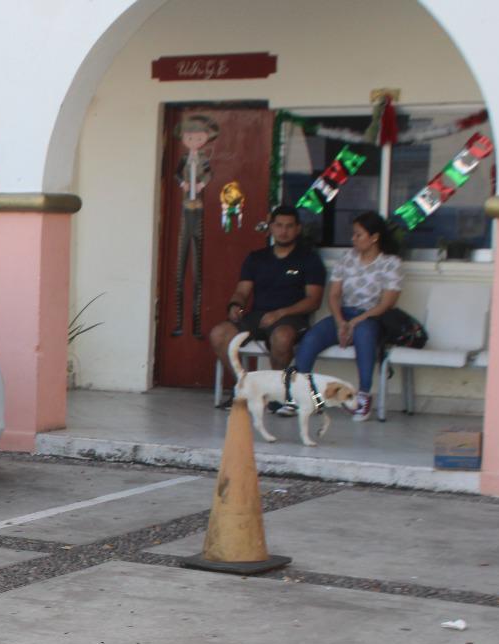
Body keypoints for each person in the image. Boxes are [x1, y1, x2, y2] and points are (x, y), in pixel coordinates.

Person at [209, 205, 326, 410]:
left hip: (291, 317)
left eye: (289, 226)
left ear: (298, 228)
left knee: (282, 338)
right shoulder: (257, 258)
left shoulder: (309, 259)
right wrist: (235, 305)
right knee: (219, 334)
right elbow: (242, 291)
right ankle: (246, 389)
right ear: (270, 227)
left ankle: (277, 395)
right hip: (258, 315)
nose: (283, 231)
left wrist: (281, 313)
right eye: (279, 225)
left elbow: (313, 300)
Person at [292, 210, 402, 422]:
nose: (353, 239)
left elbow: (388, 303)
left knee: (364, 336)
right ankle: (298, 394)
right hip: (343, 315)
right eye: (353, 234)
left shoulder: (391, 263)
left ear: (374, 237)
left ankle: (363, 396)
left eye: (358, 235)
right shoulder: (347, 259)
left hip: (371, 317)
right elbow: (333, 295)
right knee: (312, 338)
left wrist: (356, 321)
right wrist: (341, 322)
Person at [169, 114, 218, 337]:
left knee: (197, 270)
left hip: (199, 210)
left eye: (199, 137)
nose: (194, 140)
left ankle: (196, 324)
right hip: (184, 212)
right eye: (190, 136)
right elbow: (176, 174)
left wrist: (200, 184)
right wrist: (183, 183)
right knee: (180, 269)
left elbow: (209, 175)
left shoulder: (205, 159)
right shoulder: (182, 159)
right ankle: (178, 322)